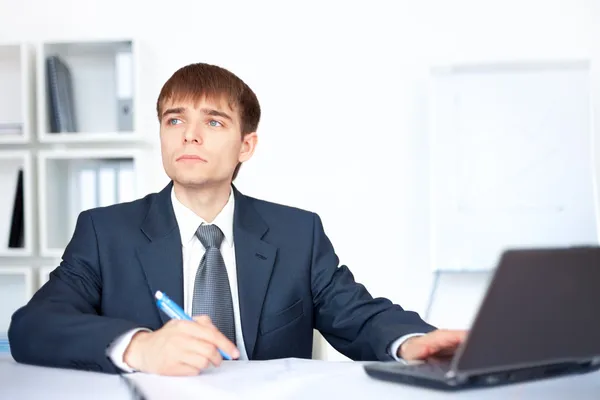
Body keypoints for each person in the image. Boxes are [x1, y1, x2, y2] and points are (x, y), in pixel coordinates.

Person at [8, 63, 466, 376]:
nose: (189, 133)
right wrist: (141, 346)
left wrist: (412, 341)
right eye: (174, 120)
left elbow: (358, 316)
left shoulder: (296, 234)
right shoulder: (105, 231)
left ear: (246, 145)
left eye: (213, 122)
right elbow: (32, 326)